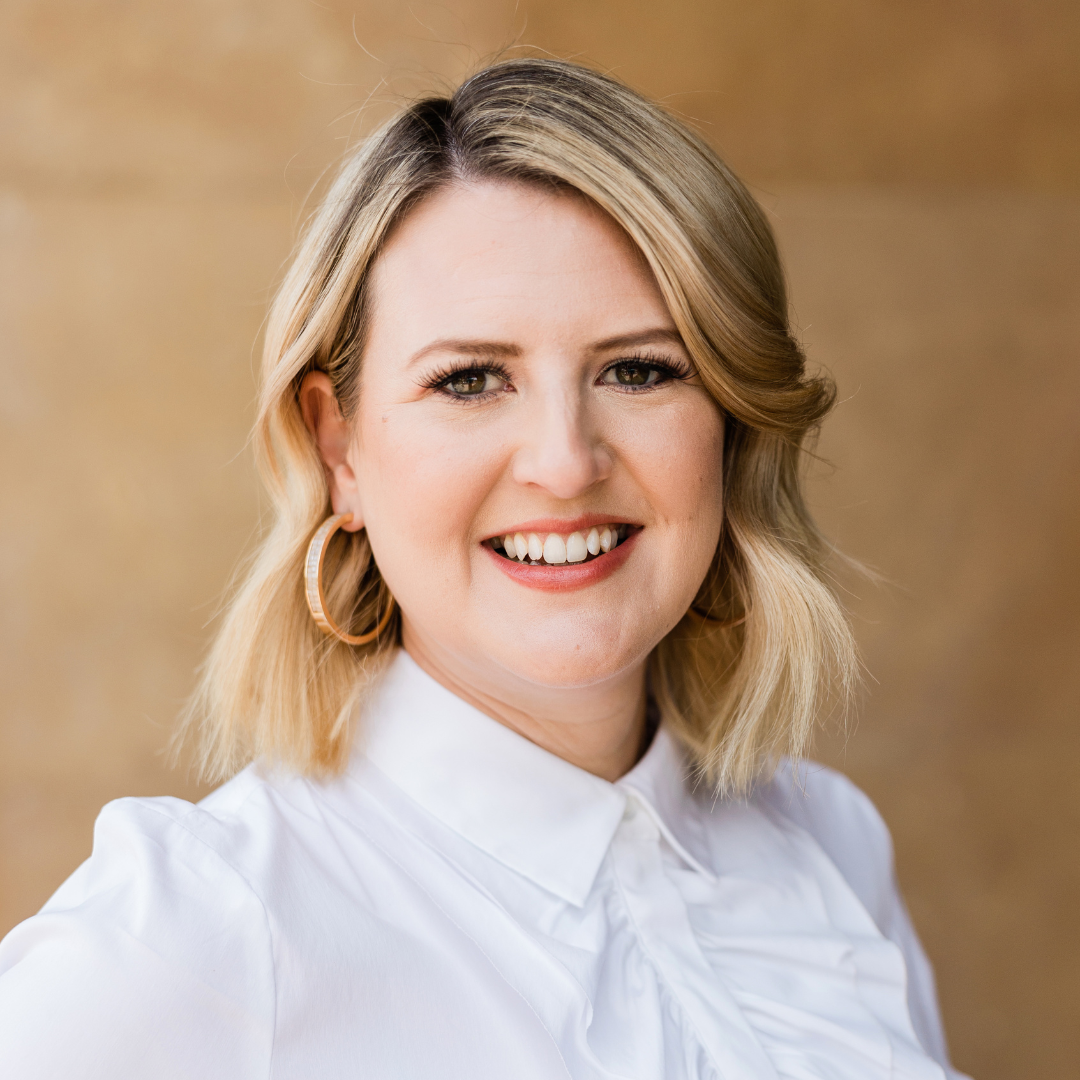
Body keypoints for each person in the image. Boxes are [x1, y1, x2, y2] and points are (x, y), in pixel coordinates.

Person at [0, 58, 969, 1079]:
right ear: (339, 448)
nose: (565, 463)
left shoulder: (828, 842)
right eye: (469, 380)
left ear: (729, 426)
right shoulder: (210, 924)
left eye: (639, 369)